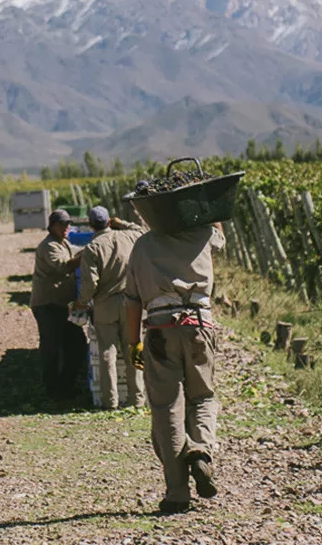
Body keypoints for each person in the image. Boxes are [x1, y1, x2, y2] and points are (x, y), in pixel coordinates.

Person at [123, 221, 226, 514]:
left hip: (159, 329)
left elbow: (131, 300)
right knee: (203, 396)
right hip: (199, 326)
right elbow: (221, 238)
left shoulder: (142, 245)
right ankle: (201, 450)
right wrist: (211, 213)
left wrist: (134, 344)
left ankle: (177, 493)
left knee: (167, 406)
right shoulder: (204, 234)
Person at [73, 206, 147, 409]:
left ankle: (110, 401)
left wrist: (81, 303)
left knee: (107, 353)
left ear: (90, 225)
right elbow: (143, 230)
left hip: (105, 306)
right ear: (108, 222)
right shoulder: (129, 237)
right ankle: (137, 400)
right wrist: (121, 222)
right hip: (131, 303)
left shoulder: (92, 248)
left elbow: (90, 285)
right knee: (134, 347)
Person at [32, 209, 90, 400]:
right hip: (48, 304)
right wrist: (87, 255)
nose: (66, 228)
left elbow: (74, 254)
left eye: (68, 224)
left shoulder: (62, 242)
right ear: (52, 226)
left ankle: (65, 386)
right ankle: (52, 390)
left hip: (60, 304)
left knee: (77, 346)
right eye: (62, 224)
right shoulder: (49, 246)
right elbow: (64, 265)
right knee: (51, 347)